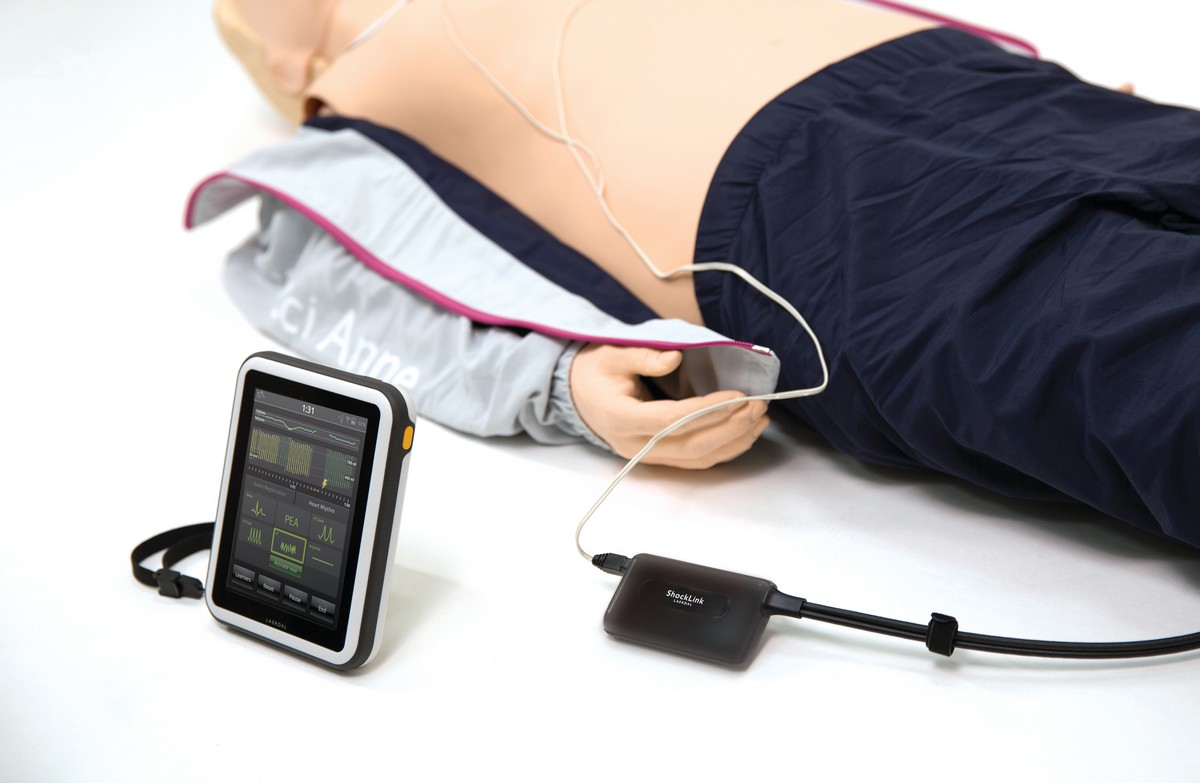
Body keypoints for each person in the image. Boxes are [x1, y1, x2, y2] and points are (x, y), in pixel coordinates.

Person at [195, 0, 1200, 549]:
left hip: (991, 90)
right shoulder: (340, 122)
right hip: (826, 226)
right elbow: (335, 293)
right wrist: (563, 386)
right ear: (283, 70)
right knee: (1159, 372)